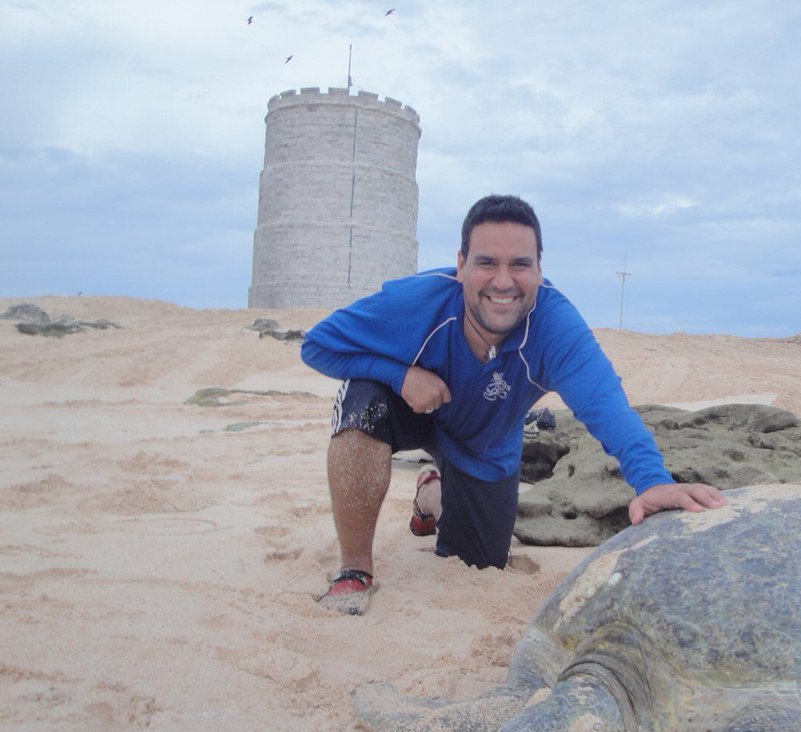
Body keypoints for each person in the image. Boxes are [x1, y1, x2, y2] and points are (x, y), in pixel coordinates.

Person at [301, 194, 726, 613]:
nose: (503, 281)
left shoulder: (555, 325)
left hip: (483, 444)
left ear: (540, 270)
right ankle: (355, 571)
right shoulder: (416, 301)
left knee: (480, 562)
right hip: (411, 409)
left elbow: (605, 404)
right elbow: (318, 345)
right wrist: (401, 375)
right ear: (462, 265)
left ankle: (430, 495)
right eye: (487, 262)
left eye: (520, 264)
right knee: (363, 399)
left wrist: (652, 480)